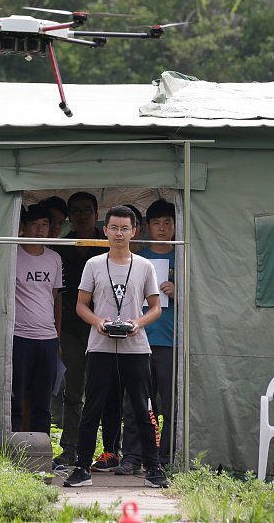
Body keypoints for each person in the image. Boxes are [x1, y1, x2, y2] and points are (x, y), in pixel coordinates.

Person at [63, 205, 167, 488]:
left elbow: (155, 307)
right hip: (100, 346)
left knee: (143, 407)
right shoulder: (94, 264)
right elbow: (81, 305)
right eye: (113, 228)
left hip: (136, 347)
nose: (119, 233)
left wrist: (137, 322)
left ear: (134, 231)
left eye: (125, 228)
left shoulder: (144, 266)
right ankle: (82, 468)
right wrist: (98, 322)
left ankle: (154, 469)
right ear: (105, 230)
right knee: (92, 407)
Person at [118, 199, 176, 474]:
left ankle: (165, 457)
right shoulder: (137, 259)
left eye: (168, 223)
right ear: (146, 227)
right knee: (136, 401)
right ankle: (131, 456)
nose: (162, 229)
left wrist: (180, 291)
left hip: (172, 341)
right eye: (156, 223)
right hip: (138, 339)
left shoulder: (185, 257)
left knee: (171, 402)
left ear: (177, 226)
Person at [53, 191, 108, 467]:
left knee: (107, 390)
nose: (82, 215)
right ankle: (71, 448)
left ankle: (111, 450)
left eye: (87, 210)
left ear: (97, 214)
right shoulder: (61, 247)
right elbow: (57, 294)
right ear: (69, 217)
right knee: (73, 390)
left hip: (105, 328)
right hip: (71, 329)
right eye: (76, 211)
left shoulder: (109, 244)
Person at [11, 204, 63, 434]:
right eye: (35, 224)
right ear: (23, 227)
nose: (41, 229)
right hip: (19, 335)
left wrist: (57, 337)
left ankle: (42, 450)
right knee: (16, 396)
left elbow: (53, 297)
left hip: (48, 337)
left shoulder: (54, 258)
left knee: (43, 399)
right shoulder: (12, 254)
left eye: (45, 224)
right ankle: (11, 449)